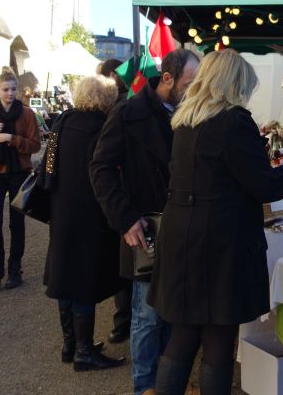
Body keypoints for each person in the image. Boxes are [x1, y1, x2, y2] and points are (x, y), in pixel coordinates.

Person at [148, 49, 283, 395]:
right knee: (219, 335)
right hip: (218, 241)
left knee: (184, 332)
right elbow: (261, 184)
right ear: (234, 83)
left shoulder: (185, 119)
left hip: (181, 234)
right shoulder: (233, 121)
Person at [90, 49, 200, 395]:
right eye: (190, 83)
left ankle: (168, 386)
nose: (195, 89)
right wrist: (125, 218)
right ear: (167, 79)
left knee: (175, 313)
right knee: (147, 316)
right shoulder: (128, 113)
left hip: (185, 227)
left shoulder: (192, 113)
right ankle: (144, 387)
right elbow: (101, 169)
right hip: (146, 228)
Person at [43, 75, 126, 371]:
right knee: (83, 281)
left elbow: (47, 167)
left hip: (61, 208)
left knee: (64, 276)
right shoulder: (103, 128)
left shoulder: (61, 122)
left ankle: (71, 345)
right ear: (105, 99)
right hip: (90, 212)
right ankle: (83, 351)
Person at [0, 67, 41, 291]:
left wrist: (12, 138)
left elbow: (35, 146)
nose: (10, 93)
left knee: (17, 223)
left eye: (13, 89)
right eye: (5, 89)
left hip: (19, 173)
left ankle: (15, 269)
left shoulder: (27, 114)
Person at [97, 57, 131, 344]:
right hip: (119, 198)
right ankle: (123, 322)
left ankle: (122, 322)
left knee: (124, 263)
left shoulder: (114, 111)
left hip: (108, 199)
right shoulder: (120, 110)